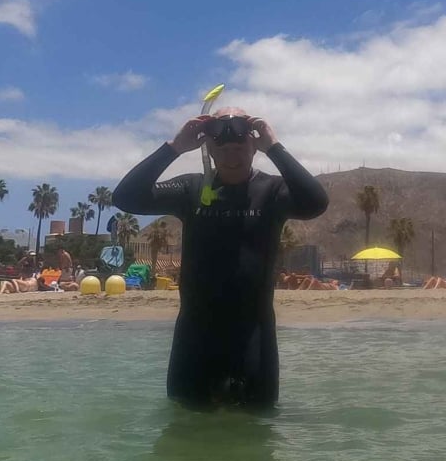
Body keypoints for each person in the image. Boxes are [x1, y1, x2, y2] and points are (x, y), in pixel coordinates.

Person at [113, 107, 328, 408]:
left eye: (240, 144)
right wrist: (174, 147)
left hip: (254, 337)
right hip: (194, 339)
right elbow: (125, 197)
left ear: (254, 146)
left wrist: (275, 147)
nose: (232, 153)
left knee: (255, 434)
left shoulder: (272, 191)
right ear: (208, 148)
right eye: (222, 146)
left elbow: (316, 202)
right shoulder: (191, 188)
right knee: (184, 431)